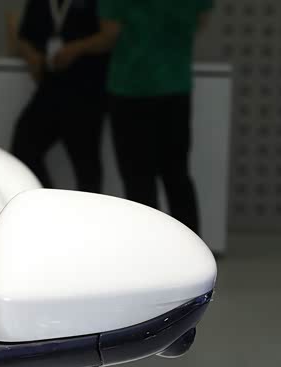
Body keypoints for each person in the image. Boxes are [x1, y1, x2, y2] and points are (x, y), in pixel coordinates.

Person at [59, 0, 212, 234]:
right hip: (174, 85)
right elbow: (201, 19)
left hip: (130, 87)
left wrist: (74, 48)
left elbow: (110, 34)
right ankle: (191, 247)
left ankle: (148, 247)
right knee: (177, 177)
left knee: (138, 181)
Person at [10, 0, 109, 193]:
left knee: (86, 164)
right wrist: (31, 55)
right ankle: (46, 200)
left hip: (86, 90)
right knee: (23, 145)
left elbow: (109, 35)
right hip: (50, 87)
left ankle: (90, 210)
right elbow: (23, 37)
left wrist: (76, 48)